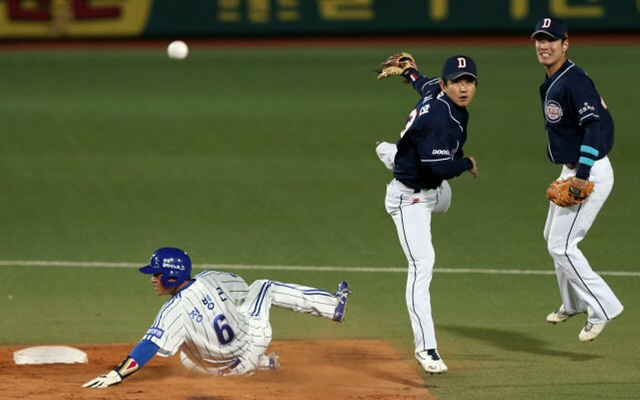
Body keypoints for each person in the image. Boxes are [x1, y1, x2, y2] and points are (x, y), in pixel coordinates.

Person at [83, 247, 350, 388]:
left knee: (186, 354)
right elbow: (243, 287)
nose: (153, 279)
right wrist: (217, 302)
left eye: (156, 274)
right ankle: (333, 306)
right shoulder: (211, 278)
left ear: (171, 276)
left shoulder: (173, 312)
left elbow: (150, 346)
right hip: (251, 343)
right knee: (264, 287)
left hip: (215, 371)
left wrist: (118, 374)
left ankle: (263, 364)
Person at [375, 54, 479, 374]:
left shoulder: (436, 90)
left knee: (441, 196)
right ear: (446, 85)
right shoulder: (440, 120)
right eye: (457, 82)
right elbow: (443, 167)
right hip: (409, 200)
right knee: (422, 264)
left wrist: (410, 71)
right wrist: (467, 163)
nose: (463, 88)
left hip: (431, 191)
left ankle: (395, 155)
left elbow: (423, 85)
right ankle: (426, 348)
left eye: (469, 81)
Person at [531, 18, 623, 341]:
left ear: (565, 44)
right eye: (540, 40)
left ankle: (602, 308)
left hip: (591, 169)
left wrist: (581, 177)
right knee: (550, 236)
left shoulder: (574, 80)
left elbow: (594, 127)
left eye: (551, 40)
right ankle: (572, 303)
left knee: (563, 245)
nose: (544, 45)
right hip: (575, 167)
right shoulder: (556, 78)